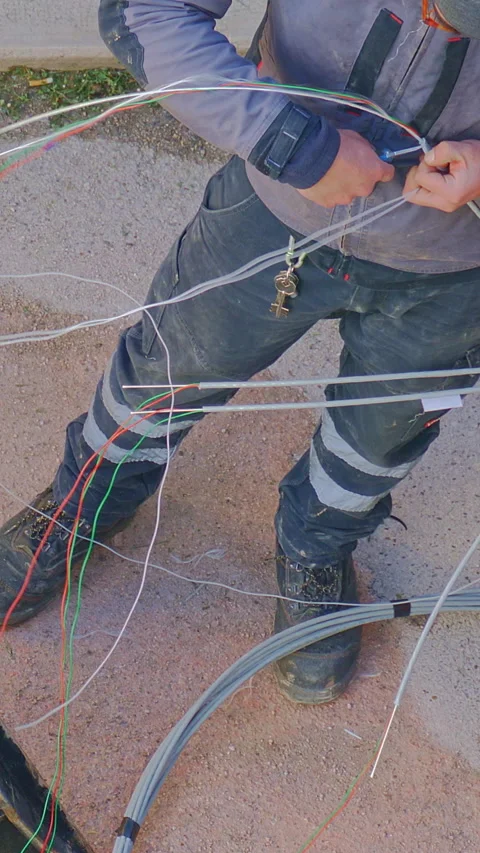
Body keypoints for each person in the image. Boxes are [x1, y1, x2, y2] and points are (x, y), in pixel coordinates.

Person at [2, 0, 480, 705]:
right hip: (272, 212)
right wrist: (294, 145)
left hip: (452, 267)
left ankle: (316, 545)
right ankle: (84, 501)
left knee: (379, 440)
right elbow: (143, 13)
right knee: (163, 375)